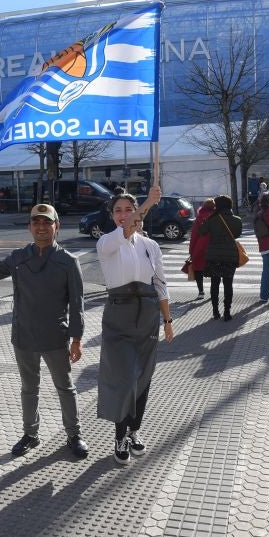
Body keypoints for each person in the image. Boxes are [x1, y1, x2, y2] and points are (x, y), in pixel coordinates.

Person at [0, 203, 89, 459]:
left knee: (65, 388)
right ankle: (30, 434)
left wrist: (76, 340)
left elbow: (77, 304)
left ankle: (74, 434)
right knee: (29, 388)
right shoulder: (18, 257)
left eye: (47, 222)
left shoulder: (68, 262)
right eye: (36, 222)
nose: (41, 227)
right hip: (24, 336)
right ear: (30, 227)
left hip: (55, 337)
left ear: (56, 227)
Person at [96, 186, 174, 465]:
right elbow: (127, 230)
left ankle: (134, 430)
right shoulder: (107, 243)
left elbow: (161, 285)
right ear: (111, 215)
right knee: (124, 379)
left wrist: (167, 320)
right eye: (118, 210)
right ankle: (119, 435)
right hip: (119, 317)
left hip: (148, 317)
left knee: (143, 379)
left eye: (129, 209)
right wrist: (148, 204)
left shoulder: (151, 246)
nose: (124, 215)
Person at [198, 195, 243, 321]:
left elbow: (200, 232)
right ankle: (227, 312)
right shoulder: (237, 220)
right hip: (230, 256)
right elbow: (237, 234)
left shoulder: (212, 219)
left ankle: (215, 311)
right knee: (228, 284)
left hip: (214, 256)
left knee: (215, 284)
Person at [188, 198, 215, 298]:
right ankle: (214, 292)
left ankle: (201, 292)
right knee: (214, 270)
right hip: (213, 247)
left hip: (200, 247)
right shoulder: (217, 217)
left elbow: (194, 235)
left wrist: (191, 250)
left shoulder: (199, 218)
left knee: (198, 269)